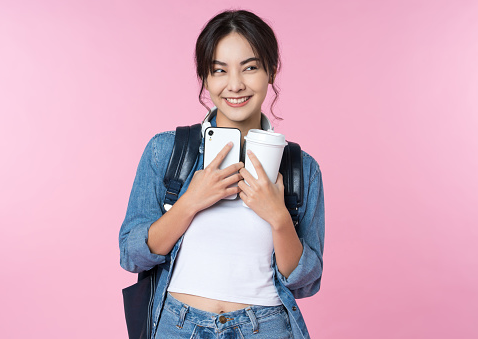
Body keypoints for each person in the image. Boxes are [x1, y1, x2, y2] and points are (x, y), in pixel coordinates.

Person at [119, 9, 325, 339]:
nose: (235, 84)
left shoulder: (303, 169)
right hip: (178, 325)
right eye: (219, 70)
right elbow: (131, 255)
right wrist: (190, 203)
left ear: (271, 71)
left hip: (266, 327)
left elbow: (305, 282)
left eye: (250, 67)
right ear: (205, 77)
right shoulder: (167, 151)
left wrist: (279, 217)